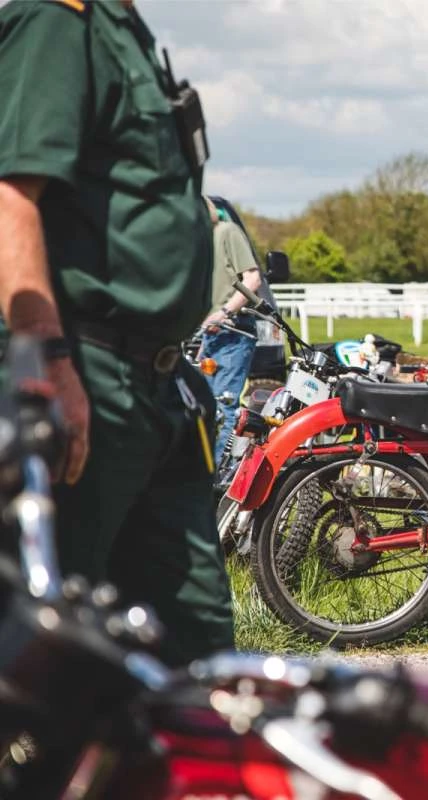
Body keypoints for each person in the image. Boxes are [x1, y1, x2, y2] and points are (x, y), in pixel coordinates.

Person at [0, 0, 233, 667]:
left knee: (195, 646)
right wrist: (47, 360)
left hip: (156, 383)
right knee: (47, 646)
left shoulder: (121, 27)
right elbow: (11, 198)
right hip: (86, 371)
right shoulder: (56, 18)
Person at [199, 197, 262, 460]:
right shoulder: (202, 242)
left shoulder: (227, 232)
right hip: (211, 336)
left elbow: (253, 278)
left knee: (223, 406)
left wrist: (225, 312)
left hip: (234, 332)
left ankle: (217, 478)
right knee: (204, 407)